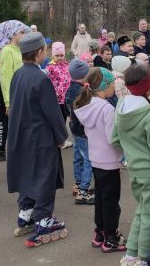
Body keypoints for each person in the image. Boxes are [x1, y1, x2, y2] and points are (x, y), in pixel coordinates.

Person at [7, 32, 69, 247]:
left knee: (27, 172)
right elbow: (52, 111)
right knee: (44, 175)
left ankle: (26, 211)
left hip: (21, 133)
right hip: (40, 136)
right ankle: (43, 218)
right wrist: (61, 135)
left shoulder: (18, 74)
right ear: (40, 52)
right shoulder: (41, 78)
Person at [111, 64, 150, 266]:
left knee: (141, 211)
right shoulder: (149, 115)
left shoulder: (120, 106)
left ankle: (130, 255)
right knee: (149, 215)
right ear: (148, 86)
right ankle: (145, 258)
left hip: (134, 171)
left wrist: (130, 154)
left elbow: (114, 140)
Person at [73, 67, 127, 253]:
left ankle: (100, 232)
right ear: (105, 85)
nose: (114, 87)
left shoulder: (86, 106)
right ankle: (111, 237)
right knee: (111, 200)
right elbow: (113, 138)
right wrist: (125, 145)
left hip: (95, 158)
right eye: (112, 83)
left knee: (101, 199)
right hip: (109, 161)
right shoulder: (106, 108)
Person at [0, 20, 29, 161]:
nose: (24, 35)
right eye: (21, 32)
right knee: (17, 132)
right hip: (15, 98)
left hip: (24, 96)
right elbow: (6, 78)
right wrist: (8, 102)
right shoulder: (7, 51)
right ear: (12, 34)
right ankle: (17, 162)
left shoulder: (20, 50)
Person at [65, 59, 95, 205]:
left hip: (74, 128)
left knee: (78, 156)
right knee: (89, 159)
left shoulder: (70, 89)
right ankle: (84, 191)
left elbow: (67, 107)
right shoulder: (83, 91)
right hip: (83, 130)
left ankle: (78, 184)